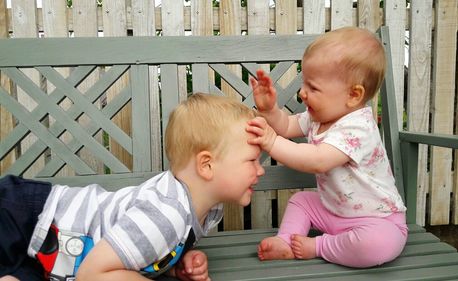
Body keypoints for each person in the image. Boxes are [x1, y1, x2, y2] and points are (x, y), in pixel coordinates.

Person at [0, 93, 264, 281]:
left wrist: (172, 265)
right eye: (252, 160)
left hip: (44, 257)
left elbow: (138, 251)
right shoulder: (165, 214)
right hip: (25, 219)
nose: (260, 169)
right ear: (206, 165)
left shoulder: (205, 208)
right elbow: (91, 274)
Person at [246, 27, 408, 268]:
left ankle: (320, 247)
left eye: (313, 88)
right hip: (333, 211)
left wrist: (271, 142)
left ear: (353, 95)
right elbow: (287, 126)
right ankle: (285, 242)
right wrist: (270, 111)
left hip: (377, 220)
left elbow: (318, 159)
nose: (303, 93)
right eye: (304, 84)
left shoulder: (359, 128)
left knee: (376, 244)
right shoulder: (318, 117)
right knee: (302, 200)